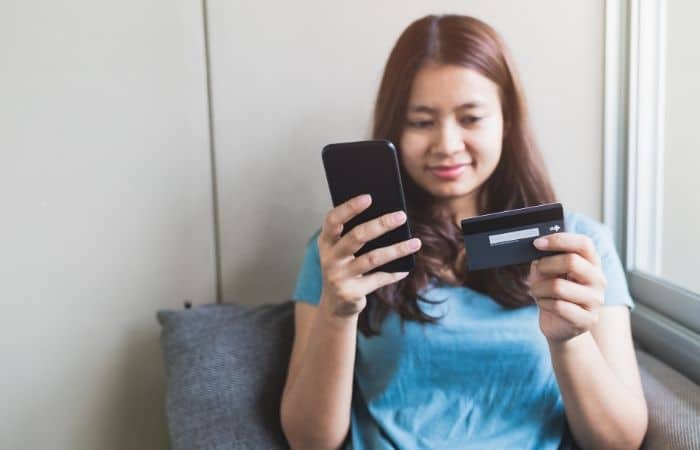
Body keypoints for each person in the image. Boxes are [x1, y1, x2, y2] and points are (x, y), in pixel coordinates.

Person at [280, 14, 648, 450]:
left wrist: (569, 340)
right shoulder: (346, 252)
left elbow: (620, 442)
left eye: (470, 118)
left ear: (506, 121)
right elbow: (309, 442)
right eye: (421, 122)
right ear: (395, 128)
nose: (447, 144)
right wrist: (337, 314)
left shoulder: (581, 247)